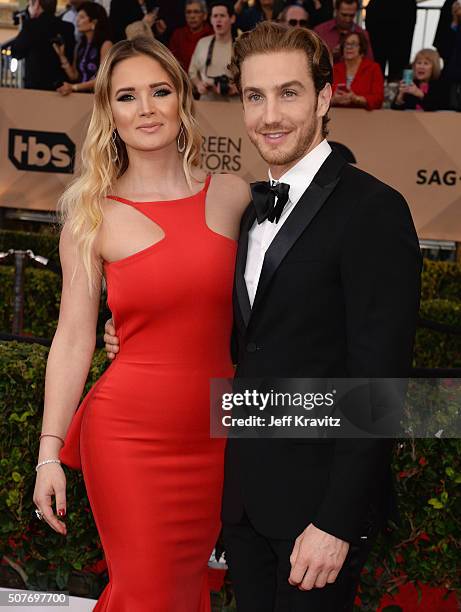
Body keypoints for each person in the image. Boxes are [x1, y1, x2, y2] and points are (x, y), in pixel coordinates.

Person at [105, 21, 422, 611]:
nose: (270, 115)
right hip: (243, 502)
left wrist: (336, 521)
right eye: (255, 96)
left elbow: (381, 385)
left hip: (318, 517)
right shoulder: (245, 207)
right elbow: (235, 335)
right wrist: (134, 336)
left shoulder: (373, 209)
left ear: (325, 98)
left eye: (289, 93)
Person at [32, 36, 250, 611]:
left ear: (183, 99)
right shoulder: (90, 214)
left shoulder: (234, 195)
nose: (147, 108)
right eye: (128, 96)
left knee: (182, 592)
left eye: (160, 91)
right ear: (109, 112)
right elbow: (74, 338)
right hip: (128, 436)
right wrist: (49, 453)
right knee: (146, 592)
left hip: (216, 433)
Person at [9, 0, 75, 91]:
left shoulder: (31, 26)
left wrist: (25, 26)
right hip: (63, 86)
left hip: (36, 87)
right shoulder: (68, 27)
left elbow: (16, 52)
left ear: (36, 4)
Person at [53, 1, 112, 94]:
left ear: (94, 22)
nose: (77, 20)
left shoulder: (106, 45)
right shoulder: (80, 45)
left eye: (82, 17)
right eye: (78, 16)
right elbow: (74, 76)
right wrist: (62, 56)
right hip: (81, 97)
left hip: (98, 98)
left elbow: (102, 79)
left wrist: (74, 87)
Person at [189, 1, 239, 101]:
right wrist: (199, 84)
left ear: (232, 18)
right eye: (215, 16)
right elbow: (192, 72)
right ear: (211, 19)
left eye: (222, 16)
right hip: (207, 101)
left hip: (234, 104)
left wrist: (239, 87)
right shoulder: (203, 43)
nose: (218, 20)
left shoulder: (241, 44)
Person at [365, 0, 417, 82]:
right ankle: (374, 91)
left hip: (403, 14)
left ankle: (397, 91)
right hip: (380, 14)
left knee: (399, 63)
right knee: (375, 61)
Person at [332, 30, 384, 109]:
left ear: (362, 49)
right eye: (346, 44)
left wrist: (356, 98)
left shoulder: (373, 68)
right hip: (337, 115)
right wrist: (334, 100)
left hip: (364, 117)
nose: (349, 47)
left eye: (353, 44)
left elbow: (378, 99)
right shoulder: (334, 68)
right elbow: (322, 98)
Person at [169, 0, 213, 71]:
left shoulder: (212, 34)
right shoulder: (178, 34)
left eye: (196, 12)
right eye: (188, 12)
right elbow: (172, 61)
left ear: (205, 15)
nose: (192, 16)